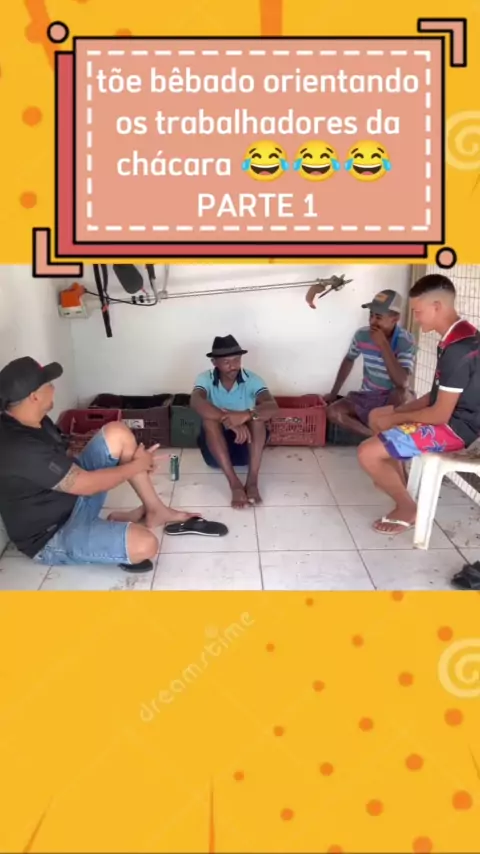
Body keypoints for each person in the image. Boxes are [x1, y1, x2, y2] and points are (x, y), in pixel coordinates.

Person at [0, 357, 193, 569]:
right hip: (53, 533)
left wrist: (133, 462)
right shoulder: (19, 446)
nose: (54, 389)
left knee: (117, 433)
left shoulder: (35, 419)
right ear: (34, 396)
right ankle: (101, 532)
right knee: (146, 545)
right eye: (49, 384)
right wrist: (137, 466)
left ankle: (155, 509)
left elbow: (67, 457)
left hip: (72, 499)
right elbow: (86, 485)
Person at [358, 274, 480, 535]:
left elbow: (439, 414)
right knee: (378, 415)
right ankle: (398, 483)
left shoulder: (459, 348)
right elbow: (435, 395)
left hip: (458, 430)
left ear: (437, 307)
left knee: (367, 452)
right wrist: (397, 412)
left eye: (418, 311)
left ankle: (407, 507)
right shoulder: (457, 337)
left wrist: (395, 418)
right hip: (452, 418)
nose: (416, 318)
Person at [190, 335, 278, 508]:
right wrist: (227, 420)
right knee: (209, 421)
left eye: (237, 360)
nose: (233, 366)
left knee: (257, 419)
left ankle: (252, 482)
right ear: (214, 362)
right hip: (216, 453)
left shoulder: (252, 379)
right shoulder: (205, 378)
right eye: (226, 362)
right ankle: (234, 484)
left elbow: (272, 406)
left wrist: (245, 415)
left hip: (246, 447)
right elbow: (196, 401)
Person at [323, 289, 416, 438]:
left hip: (393, 397)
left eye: (378, 317)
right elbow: (349, 359)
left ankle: (389, 436)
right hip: (368, 396)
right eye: (371, 315)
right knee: (333, 412)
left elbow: (402, 382)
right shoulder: (362, 335)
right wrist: (334, 393)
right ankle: (375, 436)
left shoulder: (405, 340)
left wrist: (383, 344)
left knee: (404, 396)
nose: (372, 321)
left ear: (395, 319)